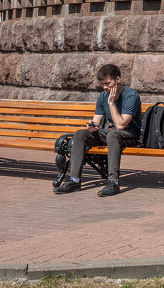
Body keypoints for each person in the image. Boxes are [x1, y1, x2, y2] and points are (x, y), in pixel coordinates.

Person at [54, 63, 142, 196]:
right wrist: (92, 126)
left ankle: (113, 183)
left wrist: (111, 103)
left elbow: (121, 125)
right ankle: (74, 180)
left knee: (113, 134)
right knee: (80, 134)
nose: (105, 87)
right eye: (102, 84)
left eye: (108, 83)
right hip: (113, 133)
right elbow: (97, 120)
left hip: (131, 135)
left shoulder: (131, 96)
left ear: (118, 79)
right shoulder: (102, 96)